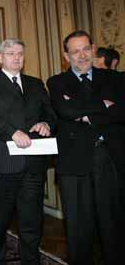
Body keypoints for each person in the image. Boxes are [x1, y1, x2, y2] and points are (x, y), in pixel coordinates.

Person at [46, 30, 125, 265]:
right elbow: (66, 111)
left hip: (112, 160)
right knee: (79, 230)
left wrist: (86, 112)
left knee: (114, 227)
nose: (82, 55)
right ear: (66, 55)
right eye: (75, 51)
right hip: (74, 164)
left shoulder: (116, 79)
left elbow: (122, 111)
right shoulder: (57, 82)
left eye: (86, 49)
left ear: (93, 48)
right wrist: (104, 106)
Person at [0, 39, 56, 265]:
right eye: (10, 53)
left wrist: (46, 123)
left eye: (20, 53)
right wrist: (13, 133)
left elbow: (50, 112)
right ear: (0, 57)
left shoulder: (36, 83)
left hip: (33, 165)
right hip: (2, 164)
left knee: (31, 223)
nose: (16, 57)